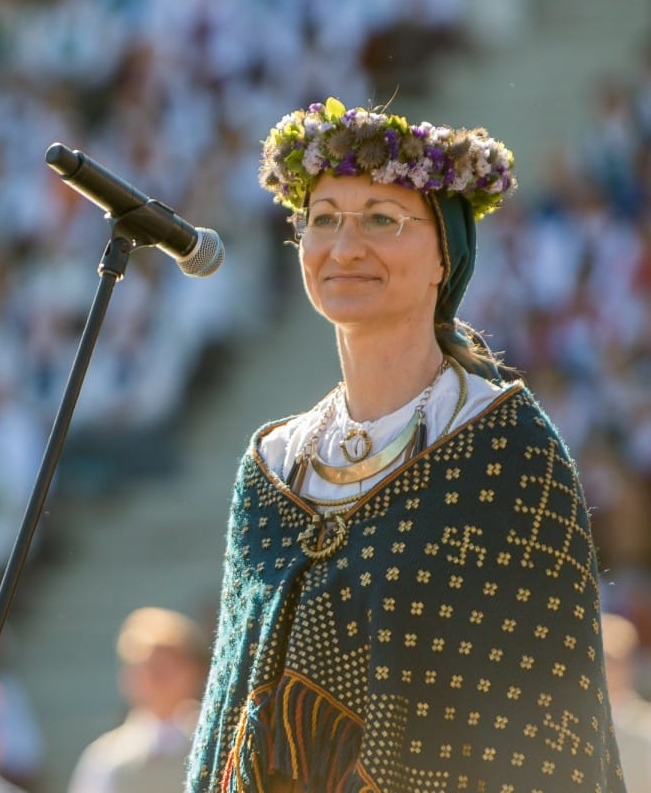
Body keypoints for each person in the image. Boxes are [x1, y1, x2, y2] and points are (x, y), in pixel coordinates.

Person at [185, 98, 627, 792]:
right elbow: (227, 717)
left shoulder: (507, 448)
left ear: (443, 258)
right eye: (323, 218)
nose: (344, 244)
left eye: (381, 220)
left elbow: (551, 720)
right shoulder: (270, 468)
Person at [67, 606, 209, 793]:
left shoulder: (213, 741)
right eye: (148, 669)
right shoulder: (105, 757)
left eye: (167, 667)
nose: (158, 679)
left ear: (193, 672)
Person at [602, 612, 651, 789]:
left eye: (615, 660)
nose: (610, 669)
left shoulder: (646, 724)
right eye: (604, 659)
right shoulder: (581, 719)